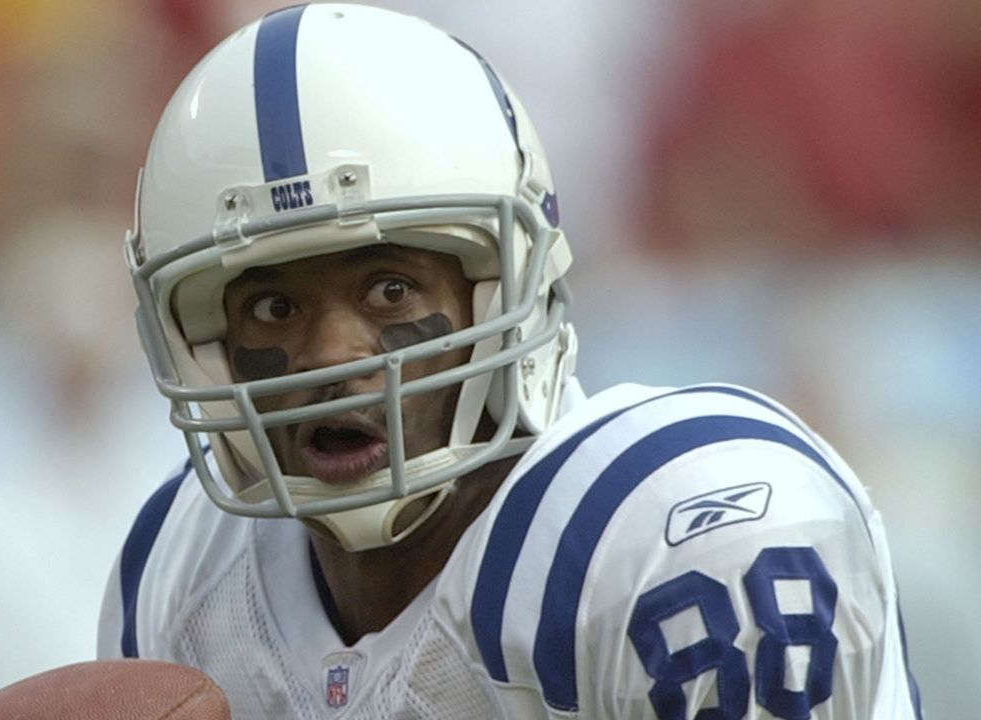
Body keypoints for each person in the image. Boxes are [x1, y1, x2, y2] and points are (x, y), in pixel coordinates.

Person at [97, 4, 922, 718]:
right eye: (273, 308)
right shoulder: (181, 576)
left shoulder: (672, 535)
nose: (332, 356)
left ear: (501, 293)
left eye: (390, 289)